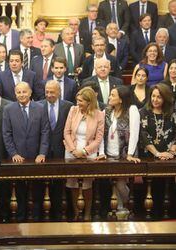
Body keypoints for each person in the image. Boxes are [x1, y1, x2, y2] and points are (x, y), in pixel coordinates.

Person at [2, 82, 50, 221]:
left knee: (37, 191)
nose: (21, 95)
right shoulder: (8, 109)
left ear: (30, 93)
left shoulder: (41, 108)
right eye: (18, 92)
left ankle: (37, 219)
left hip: (37, 158)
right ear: (15, 94)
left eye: (24, 92)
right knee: (20, 191)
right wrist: (13, 154)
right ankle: (21, 219)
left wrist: (42, 153)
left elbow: (45, 132)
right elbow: (6, 134)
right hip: (18, 158)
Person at [96, 86, 141, 218]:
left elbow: (134, 134)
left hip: (124, 154)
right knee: (113, 183)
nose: (109, 97)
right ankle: (120, 209)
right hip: (109, 154)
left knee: (121, 183)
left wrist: (130, 154)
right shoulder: (107, 111)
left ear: (121, 99)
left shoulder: (131, 110)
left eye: (113, 95)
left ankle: (128, 204)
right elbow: (101, 133)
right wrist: (101, 152)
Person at [63, 87, 104, 221]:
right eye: (77, 100)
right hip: (71, 152)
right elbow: (66, 132)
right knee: (73, 184)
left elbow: (98, 138)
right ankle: (76, 213)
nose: (78, 103)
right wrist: (73, 150)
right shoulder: (73, 110)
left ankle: (87, 214)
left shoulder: (99, 115)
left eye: (80, 101)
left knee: (87, 186)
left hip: (88, 153)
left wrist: (85, 151)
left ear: (89, 101)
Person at [139, 83, 176, 218]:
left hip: (170, 159)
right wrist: (158, 153)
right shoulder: (143, 112)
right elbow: (143, 135)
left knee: (168, 188)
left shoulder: (172, 113)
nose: (155, 99)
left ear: (165, 98)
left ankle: (169, 216)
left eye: (159, 97)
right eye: (153, 96)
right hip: (149, 157)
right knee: (151, 189)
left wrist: (171, 153)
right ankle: (152, 217)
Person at [38, 80, 73, 220]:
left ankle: (60, 214)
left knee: (60, 184)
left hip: (61, 150)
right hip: (42, 151)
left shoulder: (69, 106)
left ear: (59, 92)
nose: (49, 95)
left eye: (52, 92)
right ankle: (42, 214)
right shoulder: (38, 106)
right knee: (41, 183)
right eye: (47, 92)